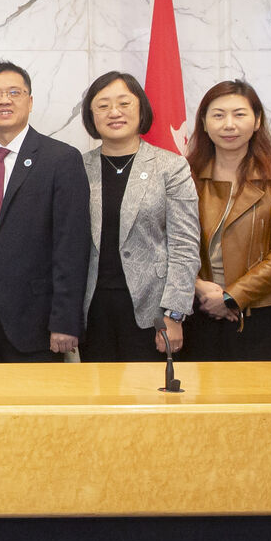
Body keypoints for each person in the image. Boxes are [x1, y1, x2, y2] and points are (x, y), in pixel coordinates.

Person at [0, 61, 90, 363]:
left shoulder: (61, 159)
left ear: (30, 102)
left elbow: (72, 247)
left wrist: (65, 321)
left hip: (37, 320)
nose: (4, 100)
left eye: (14, 92)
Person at [77, 71, 198, 360]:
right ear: (91, 115)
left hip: (152, 312)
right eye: (103, 105)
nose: (114, 112)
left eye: (124, 103)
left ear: (141, 109)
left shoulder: (172, 167)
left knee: (148, 399)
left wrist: (174, 313)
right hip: (92, 310)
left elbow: (185, 246)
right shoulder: (78, 167)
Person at [184, 79, 271, 361]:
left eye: (239, 114)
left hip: (261, 315)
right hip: (199, 310)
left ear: (257, 120)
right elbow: (168, 243)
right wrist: (199, 287)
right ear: (204, 122)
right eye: (218, 115)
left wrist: (231, 296)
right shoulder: (185, 176)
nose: (229, 125)